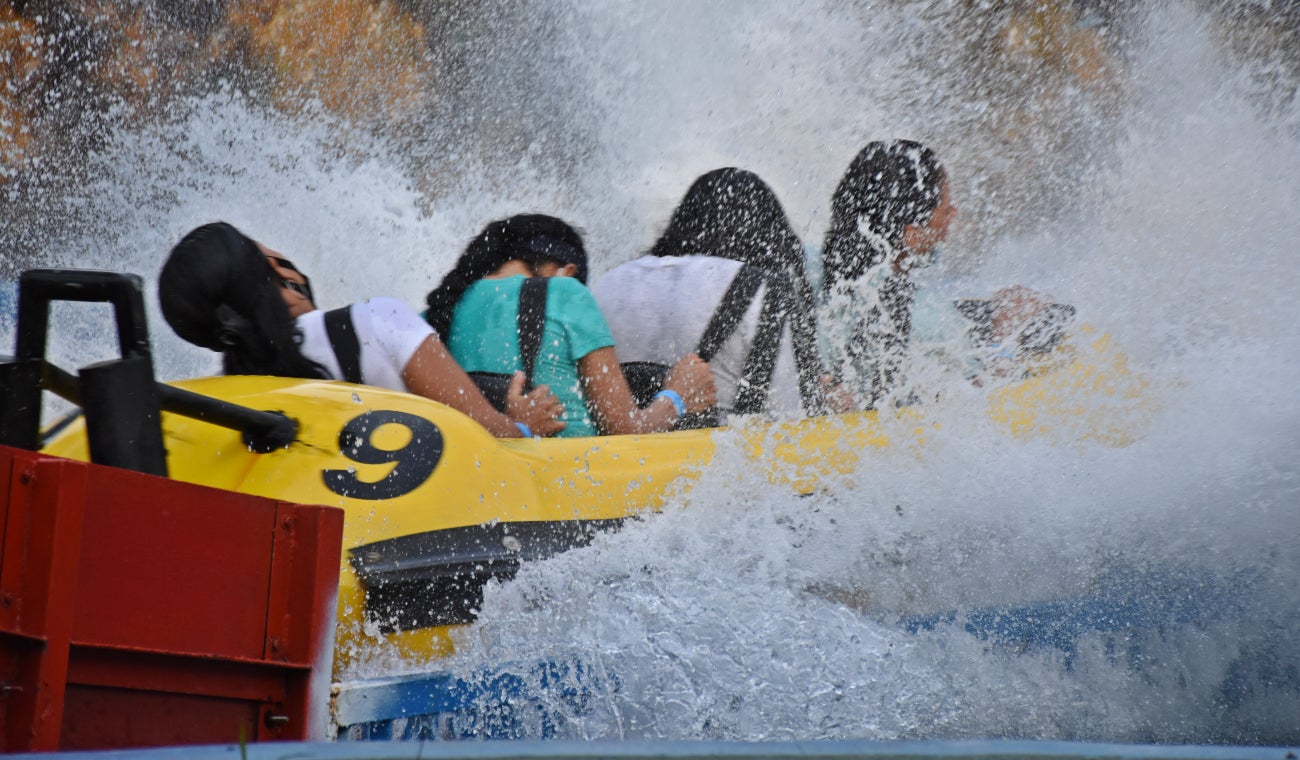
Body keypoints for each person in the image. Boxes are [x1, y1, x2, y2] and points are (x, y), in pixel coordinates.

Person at [159, 221, 564, 439]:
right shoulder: (374, 323)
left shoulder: (220, 405)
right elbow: (492, 437)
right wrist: (525, 423)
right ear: (272, 270)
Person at [424, 214, 716, 438]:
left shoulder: (437, 316)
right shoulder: (565, 292)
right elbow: (627, 429)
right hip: (571, 484)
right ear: (567, 271)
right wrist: (678, 396)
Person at [591, 168, 838, 422]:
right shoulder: (764, 293)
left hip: (616, 456)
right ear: (769, 237)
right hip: (714, 457)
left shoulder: (607, 285)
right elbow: (790, 420)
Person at [815, 139, 959, 408]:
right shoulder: (931, 322)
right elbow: (976, 393)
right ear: (913, 235)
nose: (954, 214)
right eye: (946, 210)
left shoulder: (808, 264)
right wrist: (1003, 338)